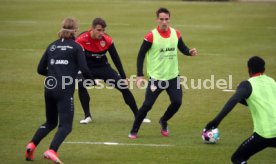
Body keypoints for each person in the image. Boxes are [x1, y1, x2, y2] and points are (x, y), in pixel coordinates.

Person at [24, 17, 94, 163]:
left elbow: (40, 69)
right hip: (64, 90)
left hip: (49, 88)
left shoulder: (52, 46)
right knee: (66, 126)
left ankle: (32, 145)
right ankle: (52, 150)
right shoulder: (76, 47)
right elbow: (84, 68)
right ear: (75, 31)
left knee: (50, 122)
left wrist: (53, 74)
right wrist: (90, 80)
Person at [128, 7, 198, 139]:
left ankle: (164, 120)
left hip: (173, 77)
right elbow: (141, 55)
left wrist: (189, 52)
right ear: (157, 20)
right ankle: (134, 129)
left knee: (177, 102)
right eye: (161, 19)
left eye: (166, 19)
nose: (164, 22)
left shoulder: (175, 33)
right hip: (157, 78)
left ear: (169, 19)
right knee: (147, 105)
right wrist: (139, 75)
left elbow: (182, 48)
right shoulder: (151, 36)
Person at [76, 18, 150, 124]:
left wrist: (123, 77)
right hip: (87, 68)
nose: (101, 33)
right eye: (99, 30)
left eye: (103, 30)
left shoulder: (107, 40)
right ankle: (87, 116)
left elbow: (116, 59)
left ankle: (138, 115)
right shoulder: (81, 40)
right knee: (81, 84)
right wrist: (89, 79)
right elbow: (77, 60)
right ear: (91, 29)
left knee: (123, 88)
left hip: (103, 67)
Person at [203, 56, 276, 163]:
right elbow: (258, 102)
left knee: (237, 158)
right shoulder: (272, 82)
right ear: (264, 70)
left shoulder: (247, 85)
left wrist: (216, 121)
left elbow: (234, 100)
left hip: (264, 134)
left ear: (249, 69)